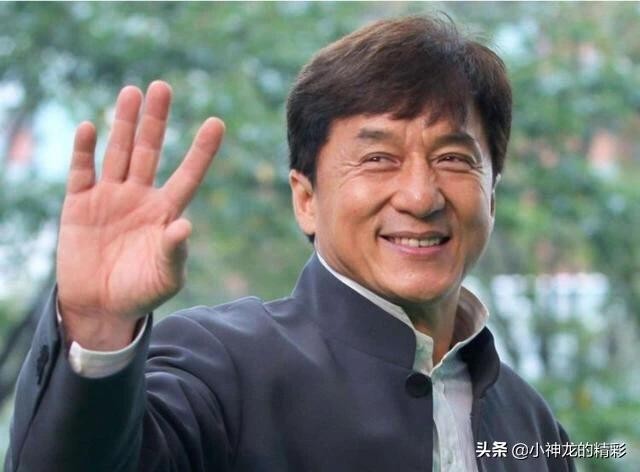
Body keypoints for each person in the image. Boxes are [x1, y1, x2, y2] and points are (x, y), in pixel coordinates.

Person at [6, 16, 575, 472]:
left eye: (452, 158)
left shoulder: (531, 424)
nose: (421, 196)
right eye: (379, 158)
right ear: (305, 198)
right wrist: (98, 327)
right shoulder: (219, 368)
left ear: (492, 194)